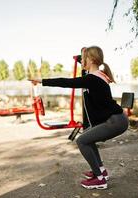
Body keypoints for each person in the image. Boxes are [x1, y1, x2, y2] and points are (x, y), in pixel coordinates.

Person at [30, 46, 129, 190]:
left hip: (115, 121)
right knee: (88, 137)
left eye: (84, 58)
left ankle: (100, 180)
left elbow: (66, 82)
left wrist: (41, 81)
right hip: (117, 119)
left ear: (91, 59)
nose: (82, 61)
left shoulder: (92, 79)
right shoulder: (97, 75)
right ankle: (101, 171)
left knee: (82, 141)